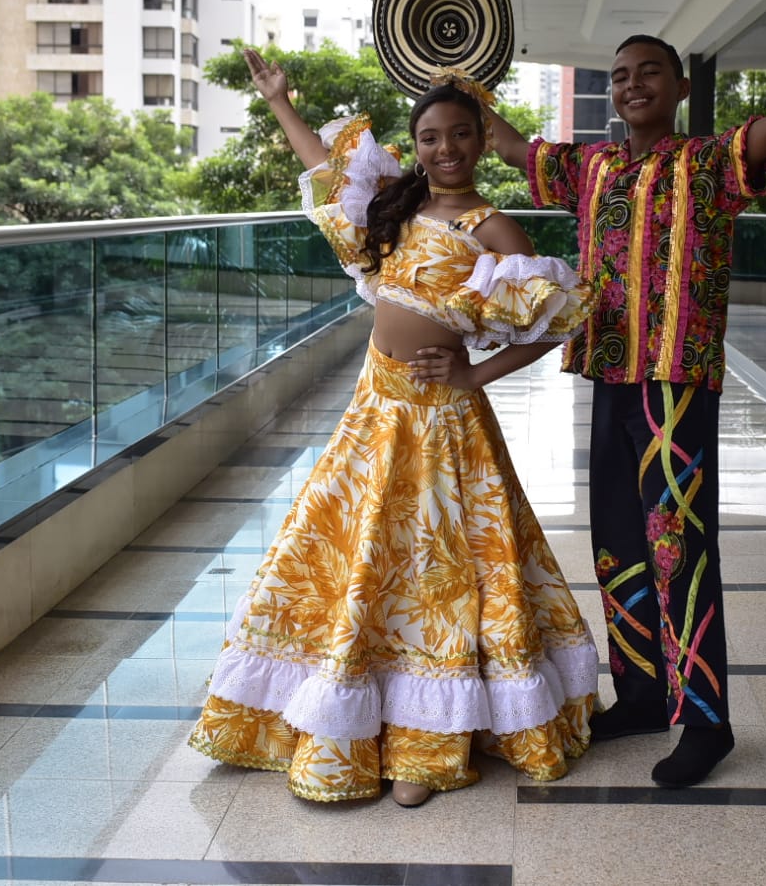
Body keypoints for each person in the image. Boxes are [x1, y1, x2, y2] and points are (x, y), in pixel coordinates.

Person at [488, 0, 766, 788]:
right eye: (619, 77)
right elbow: (512, 148)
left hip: (675, 385)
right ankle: (643, 691)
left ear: (680, 86)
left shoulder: (712, 161)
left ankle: (706, 720)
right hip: (610, 375)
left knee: (678, 548)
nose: (630, 86)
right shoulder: (591, 167)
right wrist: (467, 80)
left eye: (647, 72)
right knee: (618, 541)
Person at [188, 49, 601, 807]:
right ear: (416, 146)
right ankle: (355, 718)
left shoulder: (493, 227)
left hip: (445, 427)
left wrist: (475, 375)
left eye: (459, 135)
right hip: (374, 411)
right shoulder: (394, 209)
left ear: (481, 141)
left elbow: (558, 320)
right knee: (355, 557)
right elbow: (325, 164)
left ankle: (427, 740)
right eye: (430, 137)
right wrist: (281, 100)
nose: (445, 149)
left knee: (434, 574)